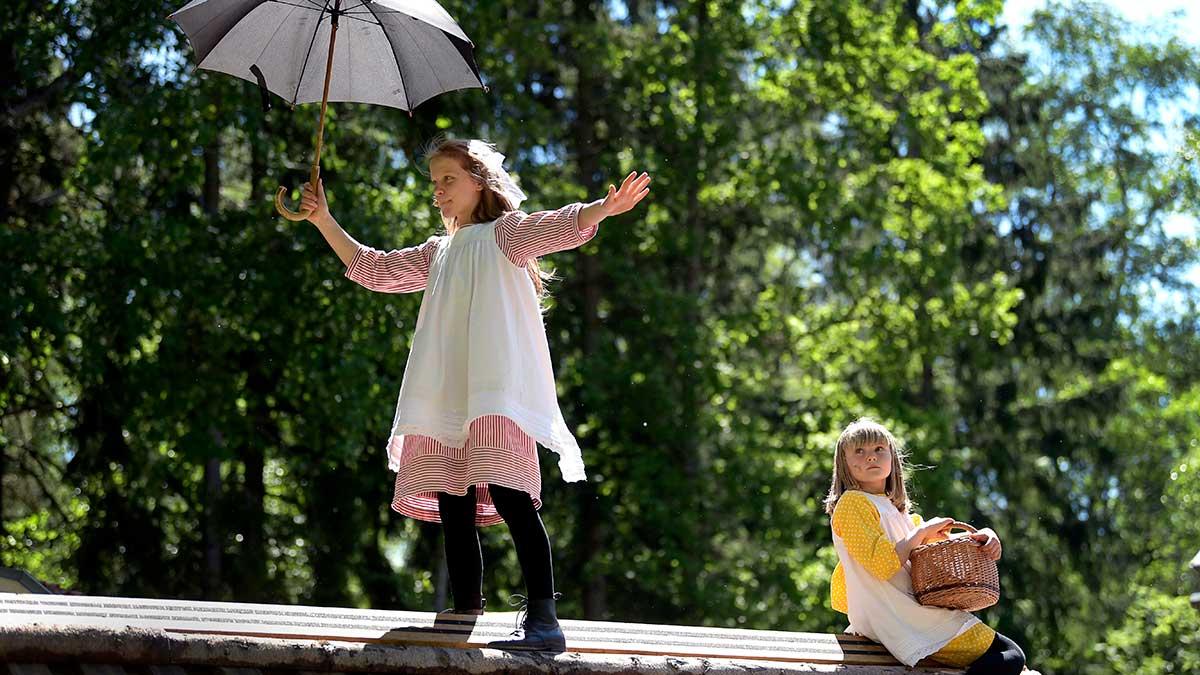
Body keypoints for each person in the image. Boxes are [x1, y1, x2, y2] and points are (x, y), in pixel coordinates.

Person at [299, 137, 651, 652]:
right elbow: (374, 269)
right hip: (447, 395)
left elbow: (554, 226)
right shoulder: (438, 252)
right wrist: (323, 219)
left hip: (494, 392)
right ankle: (464, 610)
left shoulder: (504, 235)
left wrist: (604, 208)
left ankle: (545, 621)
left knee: (511, 497)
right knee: (452, 502)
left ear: (479, 181)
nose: (438, 192)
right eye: (434, 183)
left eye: (449, 180)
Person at [825, 418, 1029, 674]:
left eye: (879, 449)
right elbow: (882, 564)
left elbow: (937, 551)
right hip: (899, 615)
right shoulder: (852, 503)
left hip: (909, 612)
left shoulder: (894, 510)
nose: (871, 457)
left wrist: (982, 537)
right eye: (860, 451)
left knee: (1011, 656)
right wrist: (921, 531)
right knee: (1010, 657)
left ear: (892, 458)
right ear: (844, 464)